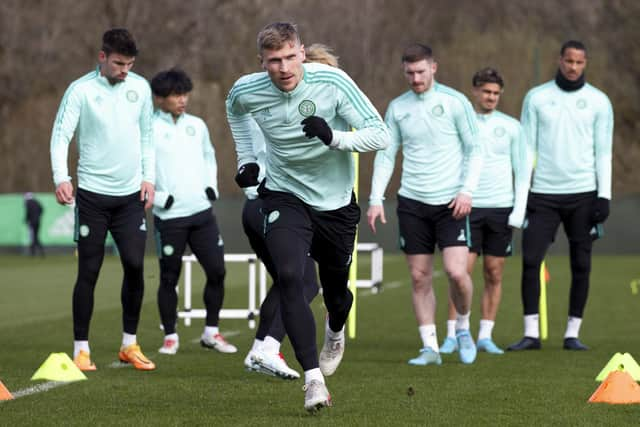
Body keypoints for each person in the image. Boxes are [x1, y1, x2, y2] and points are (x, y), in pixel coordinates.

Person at [226, 22, 389, 412]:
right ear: (262, 62)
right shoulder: (246, 90)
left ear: (301, 52)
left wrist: (334, 137)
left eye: (288, 57)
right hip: (284, 194)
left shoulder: (332, 81)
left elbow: (380, 134)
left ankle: (335, 330)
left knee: (336, 294)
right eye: (273, 61)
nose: (283, 68)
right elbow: (235, 113)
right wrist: (247, 161)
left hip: (334, 204)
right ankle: (313, 380)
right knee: (289, 277)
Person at [367, 43, 482, 366]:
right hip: (412, 203)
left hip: (451, 203)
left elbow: (476, 149)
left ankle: (462, 327)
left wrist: (466, 190)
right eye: (409, 73)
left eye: (421, 71)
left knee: (457, 273)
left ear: (434, 67)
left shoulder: (455, 102)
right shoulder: (398, 107)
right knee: (420, 277)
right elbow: (387, 154)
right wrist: (376, 198)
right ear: (403, 72)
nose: (415, 78)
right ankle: (430, 347)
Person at [50, 28, 156, 371]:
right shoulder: (80, 90)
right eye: (118, 63)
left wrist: (149, 179)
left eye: (129, 64)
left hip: (129, 199)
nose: (124, 70)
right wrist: (61, 178)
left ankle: (129, 344)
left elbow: (147, 137)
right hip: (93, 198)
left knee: (136, 267)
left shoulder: (140, 88)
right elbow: (61, 136)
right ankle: (82, 349)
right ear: (102, 57)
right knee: (89, 271)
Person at [508, 40, 613, 351]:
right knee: (530, 260)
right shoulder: (537, 98)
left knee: (581, 264)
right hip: (543, 195)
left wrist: (604, 196)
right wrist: (522, 195)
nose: (573, 67)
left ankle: (572, 334)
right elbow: (527, 149)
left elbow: (603, 152)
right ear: (560, 60)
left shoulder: (599, 101)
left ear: (586, 63)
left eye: (580, 63)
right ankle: (530, 334)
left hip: (583, 194)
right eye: (569, 61)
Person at [243, 43, 339, 380]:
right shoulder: (283, 108)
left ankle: (261, 348)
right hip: (268, 203)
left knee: (290, 281)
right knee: (302, 283)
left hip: (262, 203)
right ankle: (266, 347)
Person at [439, 68, 529, 355]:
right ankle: (453, 334)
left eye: (495, 93)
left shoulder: (512, 127)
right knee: (460, 272)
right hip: (468, 206)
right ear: (475, 92)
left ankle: (486, 335)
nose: (491, 97)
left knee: (494, 272)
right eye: (486, 92)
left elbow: (523, 170)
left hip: (501, 209)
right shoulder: (462, 123)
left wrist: (519, 210)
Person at [150, 68, 237, 356]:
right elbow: (139, 168)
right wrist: (162, 198)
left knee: (217, 270)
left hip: (201, 213)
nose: (182, 99)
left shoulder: (197, 125)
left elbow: (209, 156)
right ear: (160, 98)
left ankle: (211, 332)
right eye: (176, 95)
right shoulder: (148, 127)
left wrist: (209, 186)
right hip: (169, 216)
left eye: (185, 93)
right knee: (168, 277)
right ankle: (170, 337)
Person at [24, 192, 45, 256]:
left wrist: (27, 219)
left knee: (33, 237)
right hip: (37, 221)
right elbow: (42, 209)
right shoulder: (36, 202)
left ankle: (35, 252)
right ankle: (35, 252)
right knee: (35, 236)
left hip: (32, 222)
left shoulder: (28, 203)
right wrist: (38, 216)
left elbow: (28, 212)